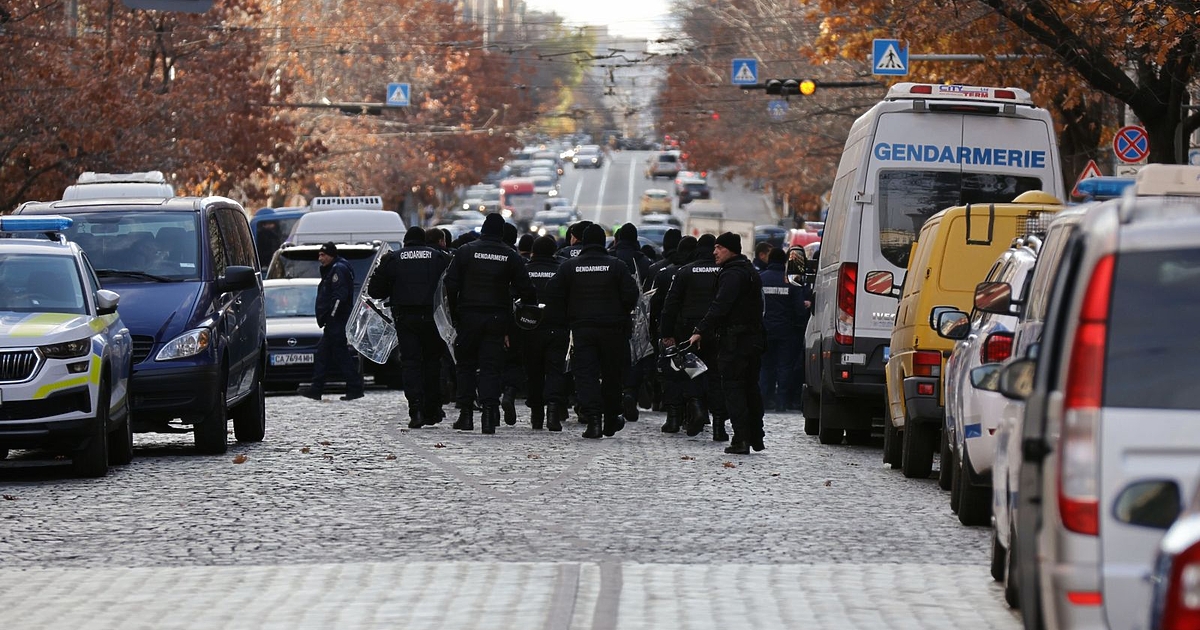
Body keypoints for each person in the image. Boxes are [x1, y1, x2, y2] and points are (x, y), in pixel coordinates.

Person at [443, 213, 535, 434]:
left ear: (483, 229)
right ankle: (489, 415)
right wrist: (524, 311)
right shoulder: (509, 255)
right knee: (490, 367)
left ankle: (466, 415)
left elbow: (450, 285)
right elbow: (527, 289)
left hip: (468, 316)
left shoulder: (465, 252)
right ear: (502, 233)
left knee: (465, 365)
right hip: (497, 318)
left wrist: (455, 315)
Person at [546, 224, 638, 438]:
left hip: (582, 327)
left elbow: (552, 291)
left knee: (585, 375)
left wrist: (568, 309)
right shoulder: (616, 265)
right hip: (613, 328)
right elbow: (631, 294)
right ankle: (611, 417)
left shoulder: (570, 266)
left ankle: (594, 420)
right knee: (611, 375)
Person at [687, 232, 766, 455]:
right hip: (753, 340)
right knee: (751, 388)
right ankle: (755, 436)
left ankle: (741, 439)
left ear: (730, 249)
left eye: (719, 247)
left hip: (735, 342)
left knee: (734, 389)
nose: (714, 252)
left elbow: (721, 305)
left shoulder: (731, 275)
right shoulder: (749, 271)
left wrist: (700, 330)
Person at [367, 226, 449, 428]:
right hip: (432, 318)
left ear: (405, 242)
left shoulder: (394, 259)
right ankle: (432, 409)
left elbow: (375, 291)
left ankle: (416, 410)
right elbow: (450, 286)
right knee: (432, 363)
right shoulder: (439, 257)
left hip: (405, 319)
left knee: (411, 363)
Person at [660, 234, 728, 440]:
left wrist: (667, 333)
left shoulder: (685, 271)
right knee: (717, 376)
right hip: (718, 330)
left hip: (688, 331)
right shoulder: (725, 271)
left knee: (692, 371)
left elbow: (670, 305)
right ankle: (718, 426)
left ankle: (696, 407)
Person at [299, 242, 364, 401]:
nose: (320, 258)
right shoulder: (335, 269)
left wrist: (332, 316)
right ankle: (317, 388)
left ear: (331, 255)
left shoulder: (338, 270)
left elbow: (339, 296)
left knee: (339, 354)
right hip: (334, 321)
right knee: (324, 354)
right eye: (319, 255)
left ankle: (353, 387)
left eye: (323, 255)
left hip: (337, 321)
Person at [649, 235, 696, 433]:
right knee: (695, 373)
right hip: (697, 332)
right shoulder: (699, 272)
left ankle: (674, 416)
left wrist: (658, 332)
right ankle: (693, 411)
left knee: (673, 374)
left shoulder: (665, 273)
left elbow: (656, 306)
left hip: (672, 332)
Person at [523, 235, 569, 431]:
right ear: (554, 251)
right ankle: (552, 412)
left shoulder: (525, 270)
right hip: (557, 327)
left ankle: (536, 414)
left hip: (530, 328)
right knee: (555, 370)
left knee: (533, 372)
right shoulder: (562, 270)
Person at [759, 247, 812, 412]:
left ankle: (763, 401)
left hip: (765, 329)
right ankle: (782, 402)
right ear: (784, 262)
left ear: (769, 260)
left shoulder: (761, 279)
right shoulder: (791, 282)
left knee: (765, 366)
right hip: (786, 331)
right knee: (784, 367)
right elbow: (799, 309)